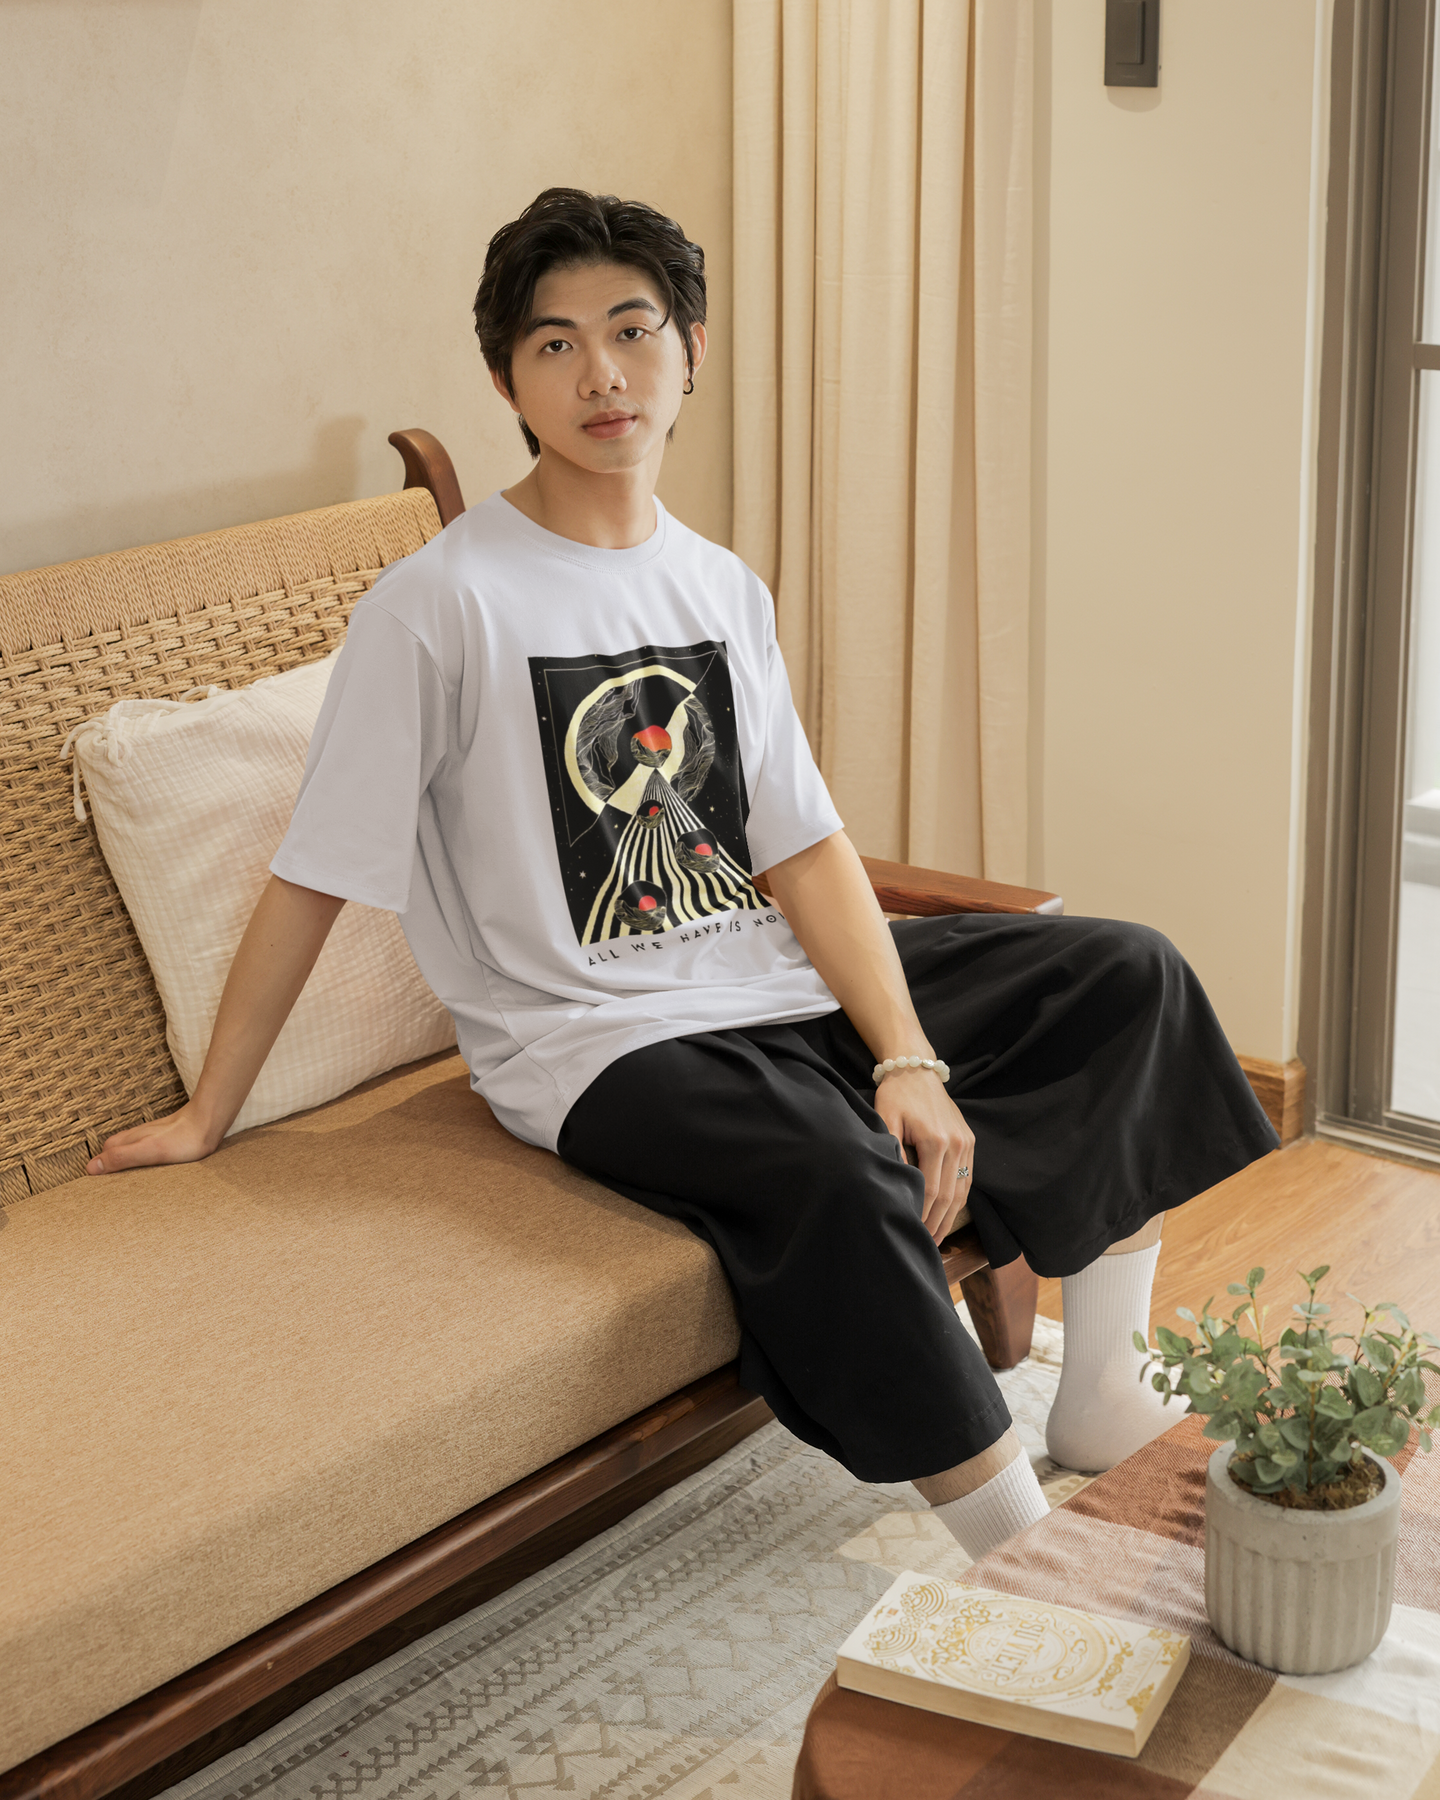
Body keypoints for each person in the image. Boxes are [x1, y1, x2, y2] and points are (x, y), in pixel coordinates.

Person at [86, 188, 1279, 1560]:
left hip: (763, 982)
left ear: (690, 349)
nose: (601, 375)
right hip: (596, 1043)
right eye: (554, 345)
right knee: (836, 1169)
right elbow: (314, 873)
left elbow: (803, 847)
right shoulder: (437, 606)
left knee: (1125, 973)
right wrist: (210, 1111)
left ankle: (1103, 1390)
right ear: (505, 382)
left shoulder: (718, 585)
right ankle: (1025, 1558)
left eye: (632, 330)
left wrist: (906, 1056)